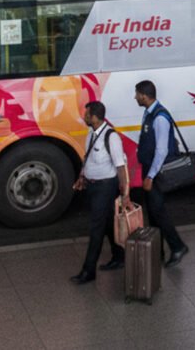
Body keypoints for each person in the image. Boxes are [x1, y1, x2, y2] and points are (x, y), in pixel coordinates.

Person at [70, 101, 132, 284]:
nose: (84, 117)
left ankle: (88, 271)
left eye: (87, 114)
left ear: (95, 117)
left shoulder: (111, 137)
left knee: (96, 228)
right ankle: (119, 257)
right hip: (92, 186)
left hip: (106, 187)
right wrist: (82, 176)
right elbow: (87, 158)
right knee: (106, 224)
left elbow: (120, 167)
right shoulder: (91, 134)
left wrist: (125, 194)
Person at [134, 80, 188, 267]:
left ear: (144, 95)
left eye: (137, 94)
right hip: (149, 169)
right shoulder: (149, 113)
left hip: (156, 173)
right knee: (154, 212)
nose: (135, 97)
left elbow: (161, 151)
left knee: (158, 211)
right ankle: (158, 251)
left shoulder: (160, 118)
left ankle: (178, 246)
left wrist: (150, 176)